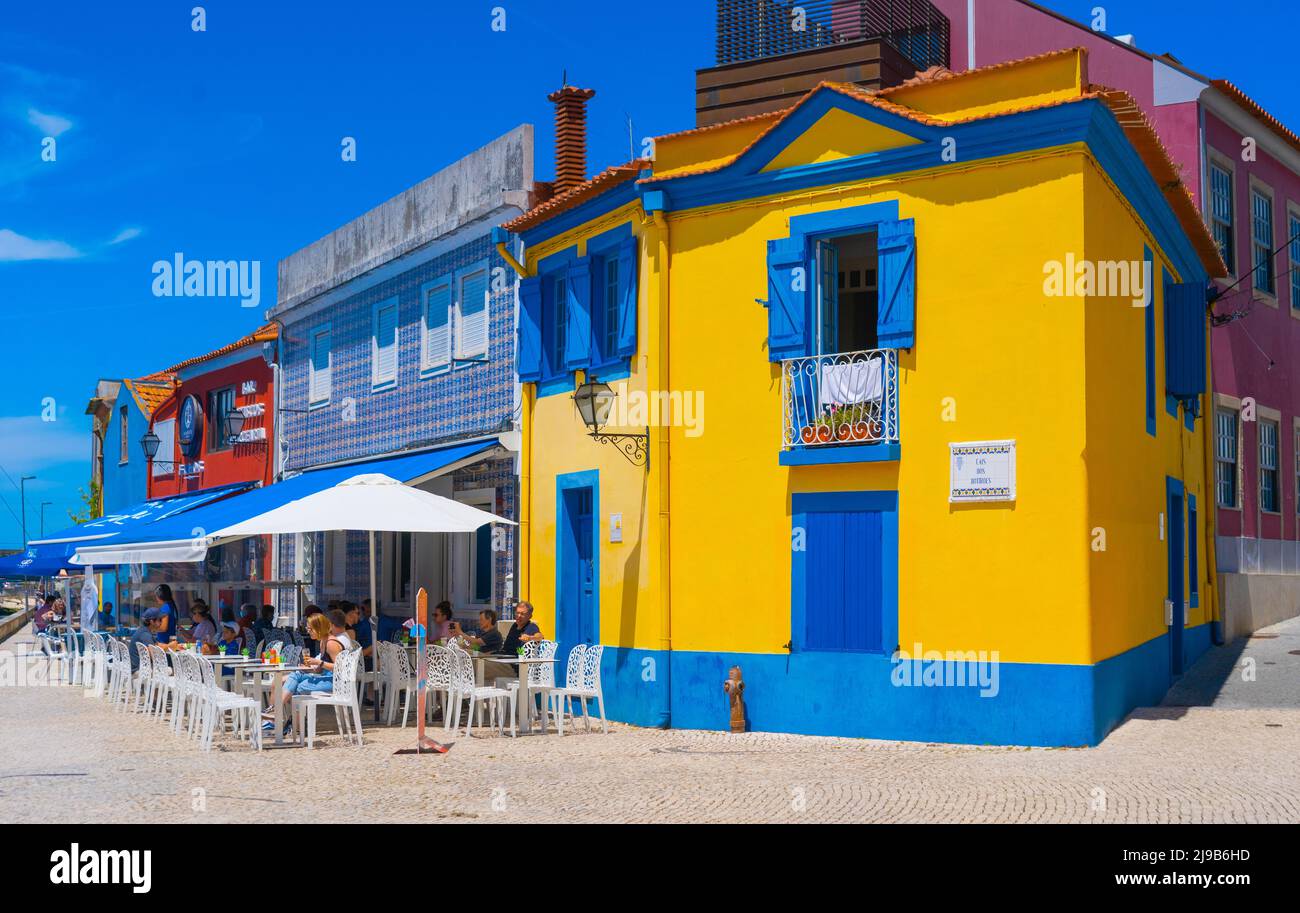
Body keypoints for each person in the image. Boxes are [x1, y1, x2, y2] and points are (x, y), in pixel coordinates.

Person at [264, 609, 354, 734]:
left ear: (319, 628)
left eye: (310, 629)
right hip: (327, 677)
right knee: (296, 675)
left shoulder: (331, 643)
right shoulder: (324, 641)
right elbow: (324, 667)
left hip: (336, 683)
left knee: (298, 686)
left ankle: (289, 721)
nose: (308, 631)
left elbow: (341, 668)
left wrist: (318, 663)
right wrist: (315, 667)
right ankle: (281, 716)